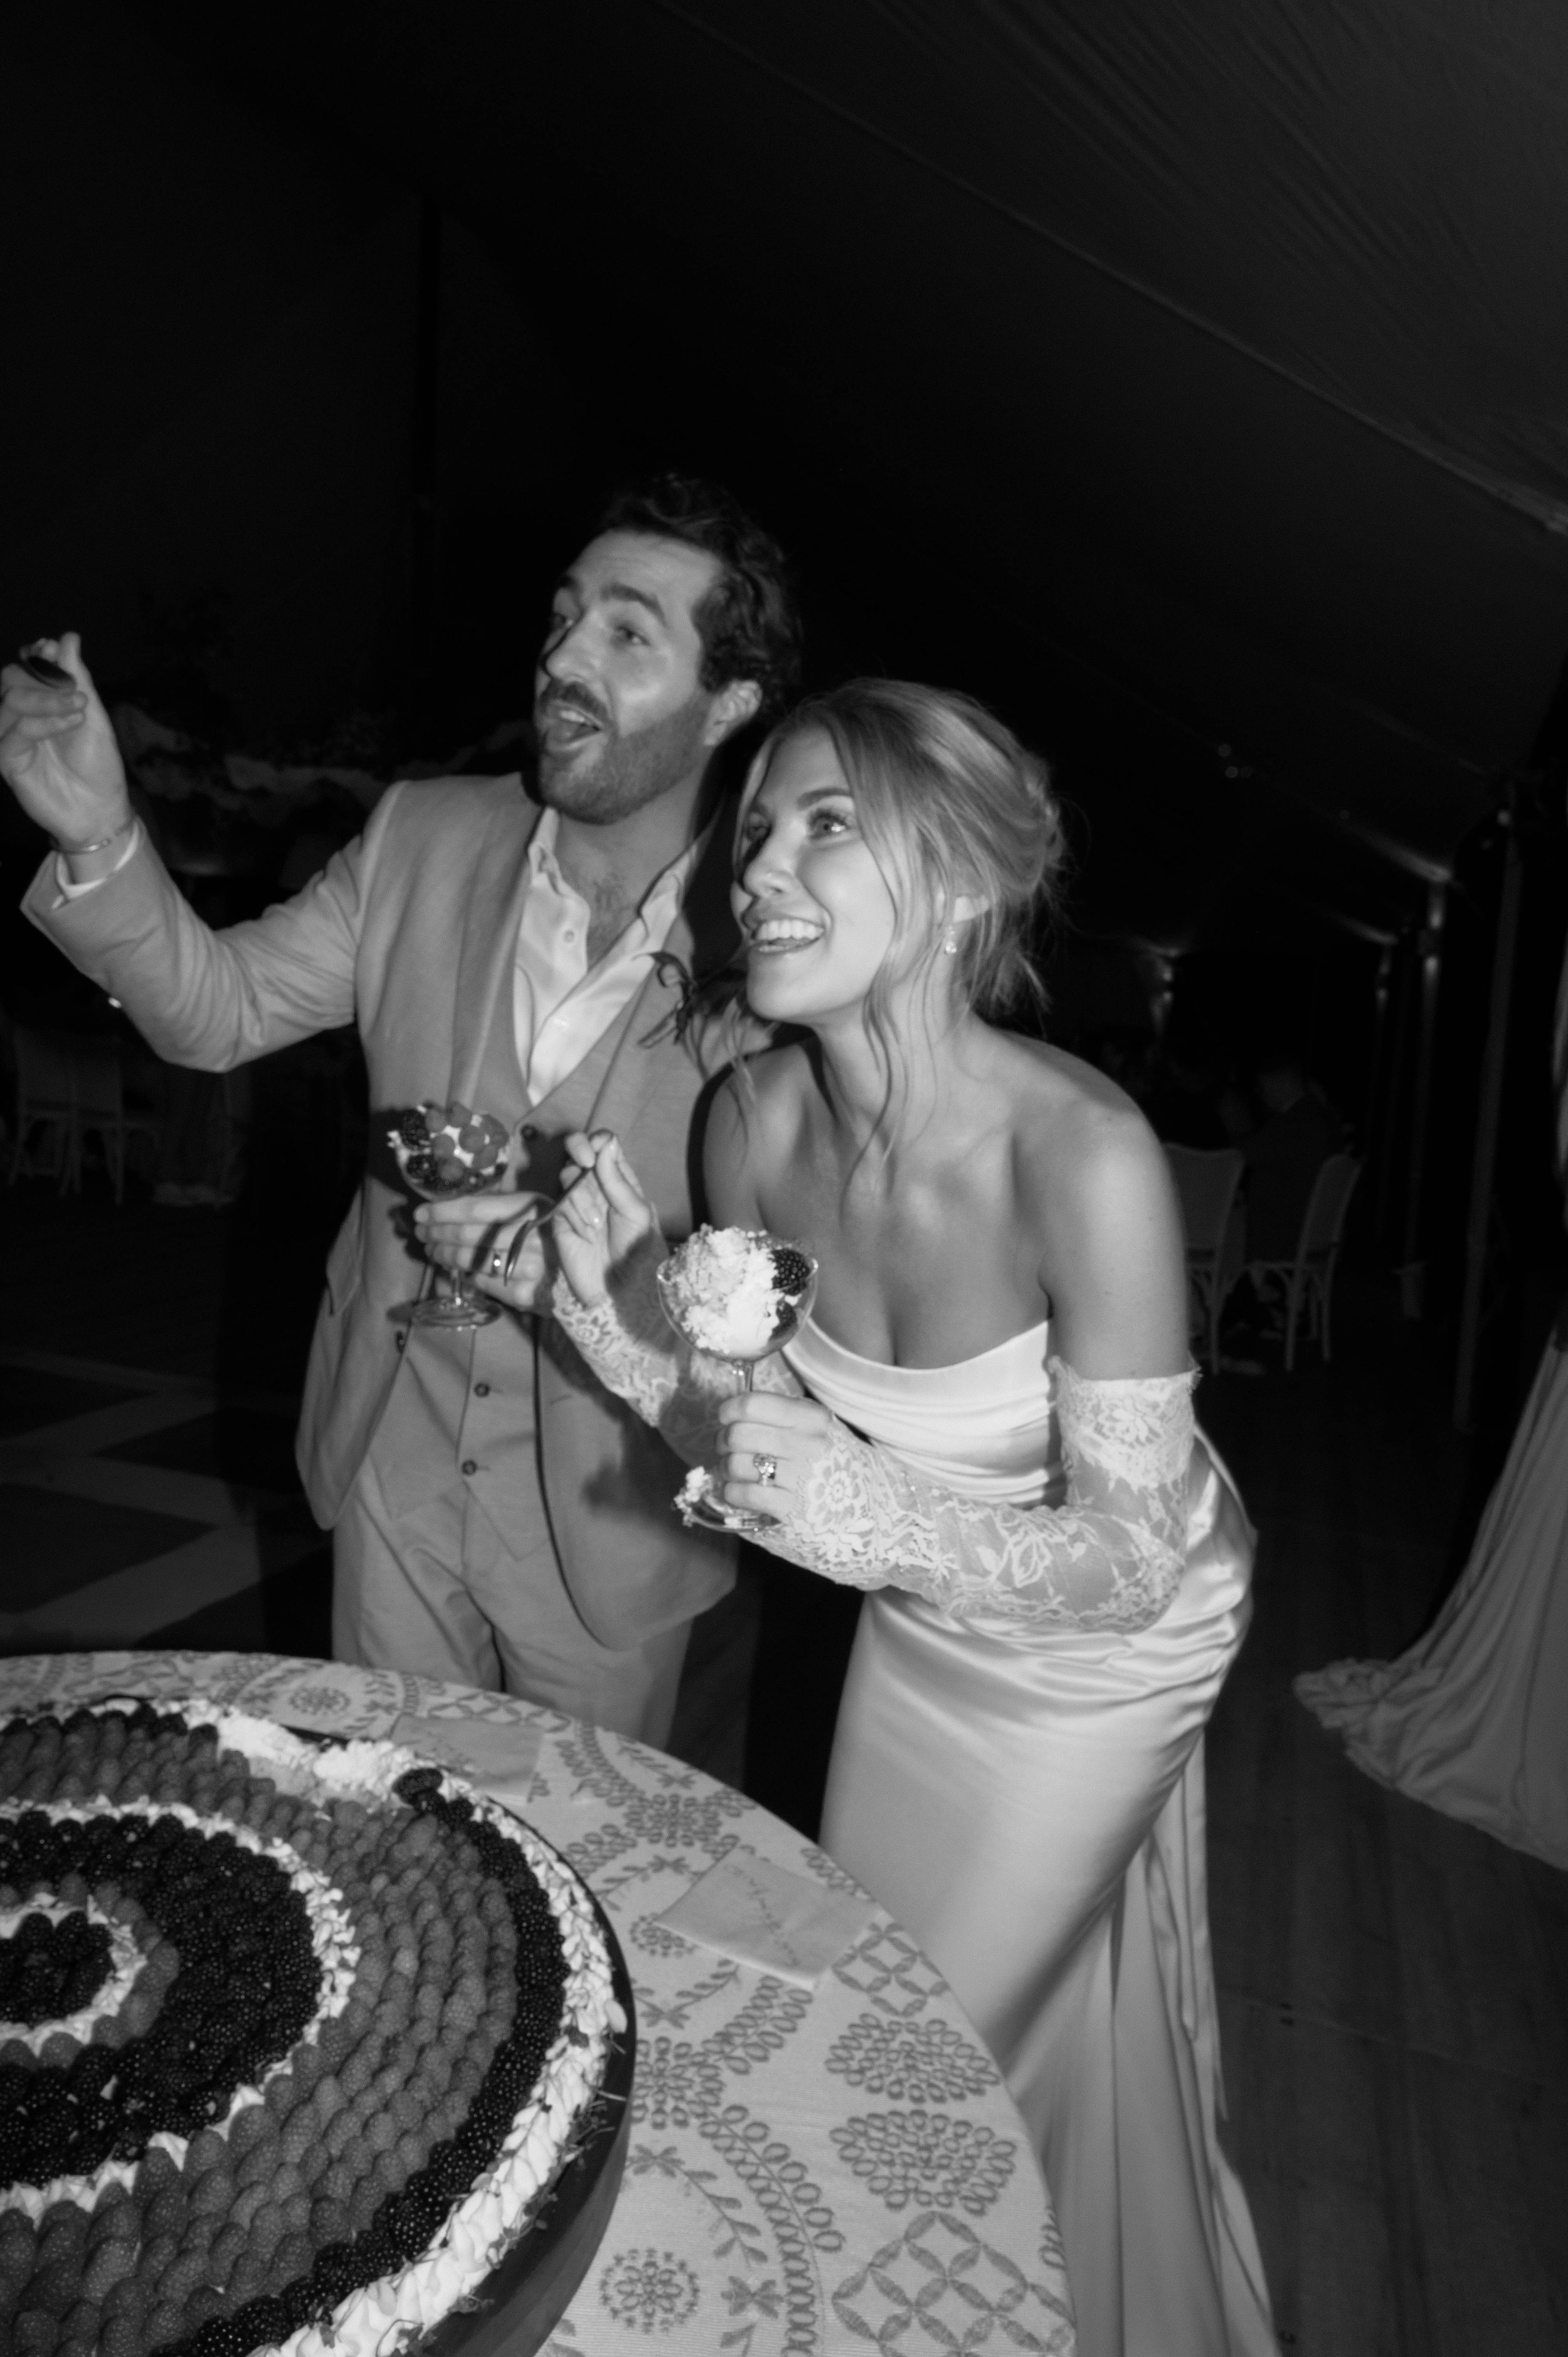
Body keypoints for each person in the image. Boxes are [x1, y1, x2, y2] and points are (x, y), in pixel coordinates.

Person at [465, 681, 1275, 2356]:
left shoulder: (1084, 1156)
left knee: (922, 2042)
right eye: (756, 826)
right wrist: (597, 1315)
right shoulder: (747, 1123)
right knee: (887, 1971)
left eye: (827, 824)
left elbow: (1124, 1557)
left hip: (1114, 1636)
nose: (760, 863)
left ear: (959, 880)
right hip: (924, 1619)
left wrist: (863, 1512)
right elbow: (739, 1439)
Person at [0, 473, 802, 1745]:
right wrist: (102, 833)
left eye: (627, 633)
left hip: (612, 1503)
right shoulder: (422, 835)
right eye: (563, 616)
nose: (563, 658)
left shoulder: (777, 927)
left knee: (575, 1841)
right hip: (393, 1455)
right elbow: (217, 1011)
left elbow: (783, 1282)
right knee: (381, 1812)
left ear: (730, 701)